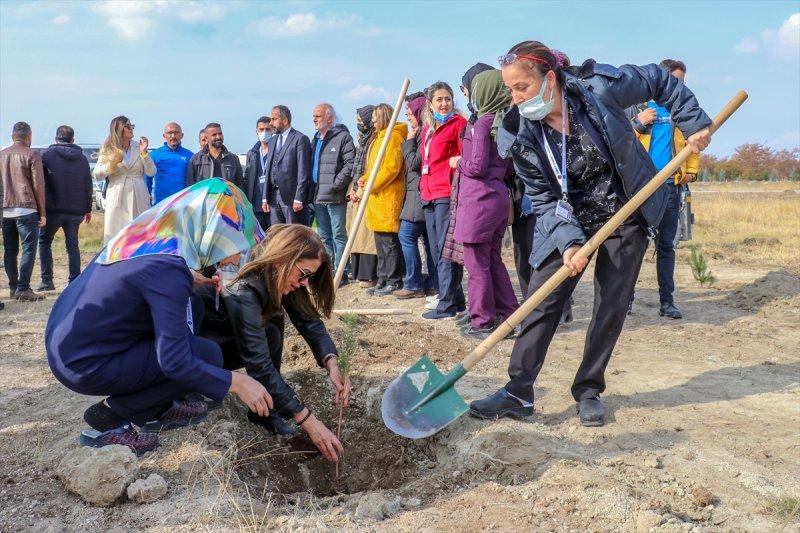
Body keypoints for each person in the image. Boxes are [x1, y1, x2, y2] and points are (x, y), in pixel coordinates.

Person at [469, 41, 712, 427]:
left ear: (549, 79)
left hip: (627, 210)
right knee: (541, 299)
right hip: (569, 216)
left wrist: (693, 122)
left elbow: (658, 79)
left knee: (611, 303)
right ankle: (518, 392)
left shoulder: (599, 89)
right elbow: (545, 198)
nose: (515, 98)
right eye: (510, 90)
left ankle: (588, 389)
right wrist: (569, 242)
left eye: (522, 87)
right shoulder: (521, 135)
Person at [45, 179, 268, 455]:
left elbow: (140, 277)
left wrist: (187, 278)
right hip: (84, 362)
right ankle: (111, 416)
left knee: (195, 307)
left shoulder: (151, 238)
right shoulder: (168, 271)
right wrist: (237, 382)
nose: (234, 258)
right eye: (233, 243)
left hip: (71, 341)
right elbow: (175, 362)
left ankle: (159, 405)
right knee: (207, 356)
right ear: (210, 229)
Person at [197, 224, 347, 462]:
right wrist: (309, 421)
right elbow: (259, 365)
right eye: (304, 274)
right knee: (270, 329)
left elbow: (308, 320)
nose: (305, 283)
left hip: (230, 338)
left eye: (309, 277)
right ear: (283, 260)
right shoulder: (245, 288)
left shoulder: (280, 274)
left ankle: (266, 410)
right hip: (206, 350)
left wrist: (332, 362)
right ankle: (200, 391)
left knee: (273, 328)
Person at [627, 59, 699, 320]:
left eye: (683, 82)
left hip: (670, 187)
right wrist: (638, 122)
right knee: (634, 247)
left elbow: (694, 139)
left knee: (666, 246)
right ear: (661, 79)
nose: (680, 86)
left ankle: (667, 302)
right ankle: (626, 301)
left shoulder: (682, 110)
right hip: (641, 189)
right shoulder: (637, 105)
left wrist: (692, 169)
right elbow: (619, 141)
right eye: (675, 80)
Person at [451, 70, 519, 339]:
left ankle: (482, 321)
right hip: (497, 198)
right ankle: (510, 316)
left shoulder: (482, 124)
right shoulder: (504, 122)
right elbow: (509, 167)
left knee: (477, 265)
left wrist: (458, 162)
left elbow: (476, 166)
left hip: (478, 202)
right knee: (493, 261)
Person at [419, 82, 468, 320]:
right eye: (439, 99)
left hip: (446, 194)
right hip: (428, 194)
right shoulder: (428, 129)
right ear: (430, 104)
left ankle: (446, 304)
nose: (444, 103)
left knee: (446, 250)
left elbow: (464, 156)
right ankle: (457, 301)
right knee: (436, 249)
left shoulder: (458, 124)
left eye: (447, 98)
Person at [37, 125, 93, 291]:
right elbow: (88, 185)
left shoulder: (46, 155)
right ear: (73, 140)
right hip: (75, 211)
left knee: (44, 242)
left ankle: (47, 280)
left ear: (56, 139)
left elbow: (39, 182)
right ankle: (74, 280)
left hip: (52, 209)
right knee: (72, 246)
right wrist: (88, 208)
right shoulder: (82, 158)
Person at [395, 92, 438, 299]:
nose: (408, 118)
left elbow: (414, 163)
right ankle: (434, 284)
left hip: (419, 195)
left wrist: (409, 142)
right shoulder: (426, 130)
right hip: (420, 194)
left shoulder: (423, 134)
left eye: (410, 114)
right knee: (429, 241)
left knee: (407, 235)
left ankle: (413, 283)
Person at [361, 103, 407, 295]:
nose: (372, 121)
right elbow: (374, 168)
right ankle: (382, 277)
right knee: (380, 243)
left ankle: (394, 279)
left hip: (388, 197)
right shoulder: (379, 138)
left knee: (389, 243)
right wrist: (365, 179)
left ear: (383, 118)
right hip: (378, 198)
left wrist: (372, 185)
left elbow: (391, 168)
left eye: (374, 118)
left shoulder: (393, 138)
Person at [1, 121, 46, 301]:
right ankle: (23, 288)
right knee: (29, 249)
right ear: (29, 136)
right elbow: (38, 185)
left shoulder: (2, 155)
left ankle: (13, 288)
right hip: (26, 208)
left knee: (10, 250)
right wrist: (42, 212)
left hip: (6, 209)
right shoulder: (32, 154)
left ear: (13, 137)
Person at [310, 103, 356, 279]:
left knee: (338, 234)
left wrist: (336, 184)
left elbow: (350, 163)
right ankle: (328, 272)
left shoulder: (342, 137)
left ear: (329, 118)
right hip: (318, 196)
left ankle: (341, 272)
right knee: (323, 237)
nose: (314, 119)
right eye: (314, 116)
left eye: (318, 116)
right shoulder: (315, 139)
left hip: (335, 196)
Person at [94, 116, 155, 243]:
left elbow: (151, 171)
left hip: (139, 193)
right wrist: (112, 164)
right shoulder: (108, 148)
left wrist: (144, 153)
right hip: (117, 193)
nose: (131, 128)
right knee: (116, 234)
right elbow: (97, 175)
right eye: (127, 126)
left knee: (140, 234)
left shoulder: (138, 146)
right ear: (119, 128)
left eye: (132, 125)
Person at [347, 105, 379, 287]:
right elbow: (356, 168)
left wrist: (360, 190)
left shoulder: (373, 140)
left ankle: (370, 275)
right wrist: (352, 190)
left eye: (361, 120)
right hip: (357, 190)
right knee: (356, 235)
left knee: (367, 237)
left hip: (367, 192)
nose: (359, 124)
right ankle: (359, 273)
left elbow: (369, 168)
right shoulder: (362, 140)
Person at [265, 105, 312, 225]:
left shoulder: (300, 139)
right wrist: (265, 197)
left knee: (293, 232)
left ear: (285, 120)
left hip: (291, 197)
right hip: (273, 196)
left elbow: (303, 171)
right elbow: (268, 169)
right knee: (277, 232)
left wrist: (299, 198)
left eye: (274, 119)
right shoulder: (272, 141)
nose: (271, 123)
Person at [185, 123, 243, 190]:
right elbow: (190, 186)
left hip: (227, 196)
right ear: (206, 138)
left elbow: (240, 185)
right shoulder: (196, 160)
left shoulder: (233, 159)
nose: (218, 137)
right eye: (214, 135)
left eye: (220, 134)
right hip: (205, 196)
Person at [147, 122, 193, 205]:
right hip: (161, 205)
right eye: (170, 133)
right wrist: (147, 199)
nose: (173, 136)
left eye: (176, 132)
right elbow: (147, 178)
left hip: (183, 204)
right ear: (164, 136)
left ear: (182, 135)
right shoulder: (154, 155)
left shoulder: (190, 155)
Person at [243, 116, 275, 231]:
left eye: (267, 129)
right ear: (256, 131)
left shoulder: (277, 151)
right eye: (261, 129)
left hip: (272, 204)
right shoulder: (252, 153)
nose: (264, 132)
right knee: (258, 236)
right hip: (256, 204)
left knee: (273, 235)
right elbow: (247, 179)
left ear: (273, 130)